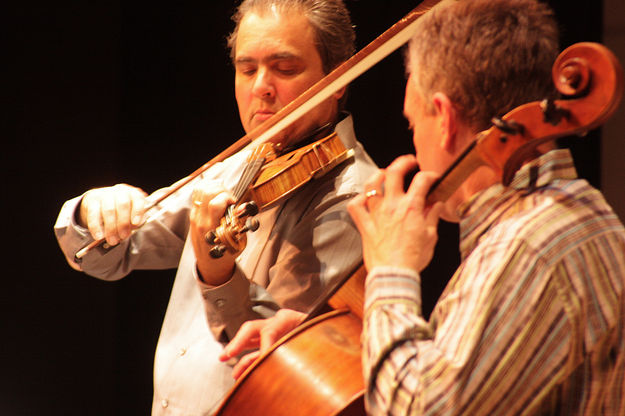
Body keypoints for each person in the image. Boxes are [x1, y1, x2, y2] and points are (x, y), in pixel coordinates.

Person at [221, 0, 625, 414]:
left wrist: (391, 270)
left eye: (414, 124)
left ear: (445, 119)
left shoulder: (527, 246)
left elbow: (419, 408)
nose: (414, 142)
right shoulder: (581, 210)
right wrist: (338, 342)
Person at [54, 0, 378, 414]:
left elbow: (278, 366)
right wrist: (96, 210)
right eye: (247, 69)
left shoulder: (353, 197)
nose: (261, 86)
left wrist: (218, 274)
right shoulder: (239, 166)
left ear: (338, 78)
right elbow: (107, 256)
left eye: (285, 68)